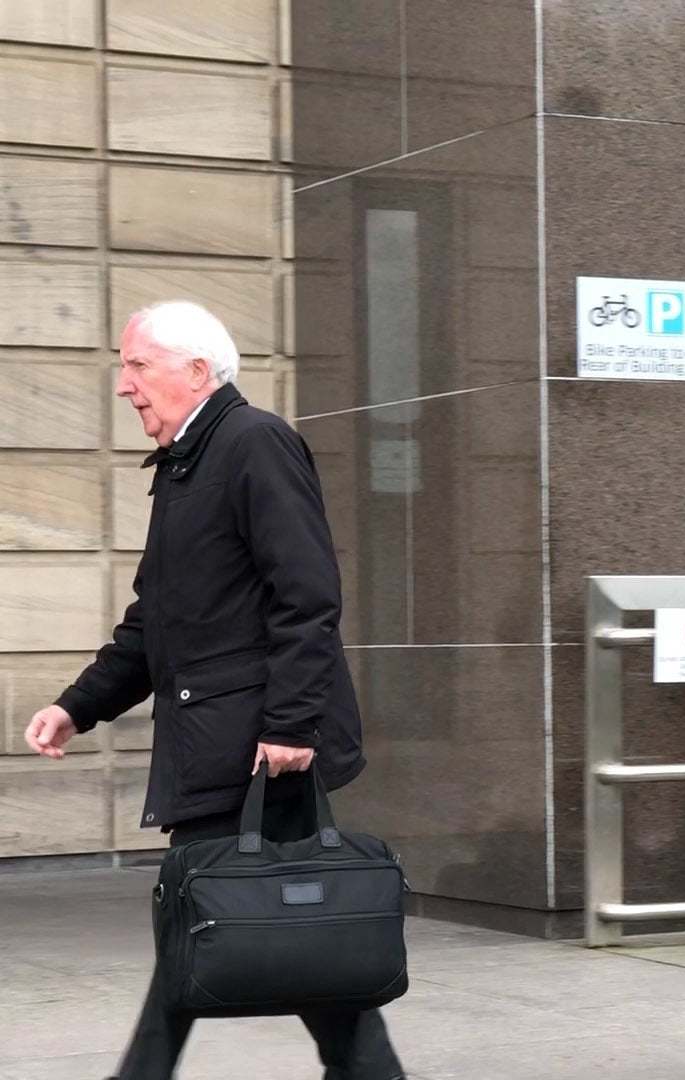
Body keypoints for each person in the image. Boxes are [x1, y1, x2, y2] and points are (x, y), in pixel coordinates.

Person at [24, 301, 404, 1080]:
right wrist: (76, 705)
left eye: (137, 365)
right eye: (123, 366)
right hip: (224, 743)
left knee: (213, 926)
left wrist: (294, 726)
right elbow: (153, 623)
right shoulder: (188, 464)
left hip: (261, 749)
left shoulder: (253, 443)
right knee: (270, 934)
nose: (124, 385)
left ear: (197, 373)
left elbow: (308, 594)